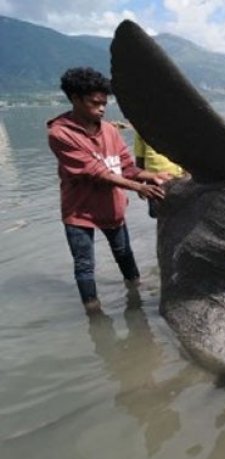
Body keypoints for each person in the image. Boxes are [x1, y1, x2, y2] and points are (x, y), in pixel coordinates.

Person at [47, 67, 170, 314]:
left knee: (125, 254)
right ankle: (94, 314)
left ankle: (136, 299)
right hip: (79, 211)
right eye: (95, 103)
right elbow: (96, 172)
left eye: (105, 103)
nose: (102, 108)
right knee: (84, 265)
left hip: (111, 206)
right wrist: (138, 187)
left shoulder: (110, 130)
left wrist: (151, 176)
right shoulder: (59, 133)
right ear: (75, 98)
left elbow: (125, 166)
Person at [133, 132, 185, 217]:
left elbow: (186, 152)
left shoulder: (177, 126)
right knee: (160, 214)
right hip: (154, 181)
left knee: (182, 212)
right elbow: (140, 158)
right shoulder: (141, 129)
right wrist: (139, 184)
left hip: (178, 177)